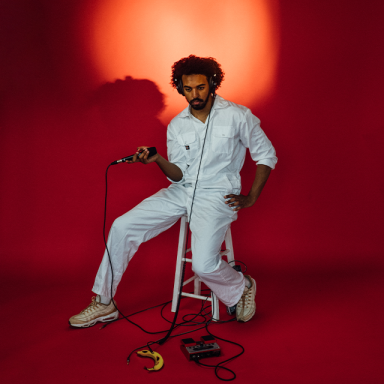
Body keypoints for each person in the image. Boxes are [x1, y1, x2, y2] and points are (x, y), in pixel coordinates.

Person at [69, 55, 277, 328]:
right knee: (122, 226)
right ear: (180, 88)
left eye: (200, 87)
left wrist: (251, 197)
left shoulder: (238, 115)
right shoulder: (177, 125)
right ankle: (104, 303)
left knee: (203, 265)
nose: (194, 95)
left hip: (216, 194)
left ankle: (242, 285)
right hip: (181, 191)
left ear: (212, 84)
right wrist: (157, 161)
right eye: (188, 89)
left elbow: (267, 155)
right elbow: (178, 174)